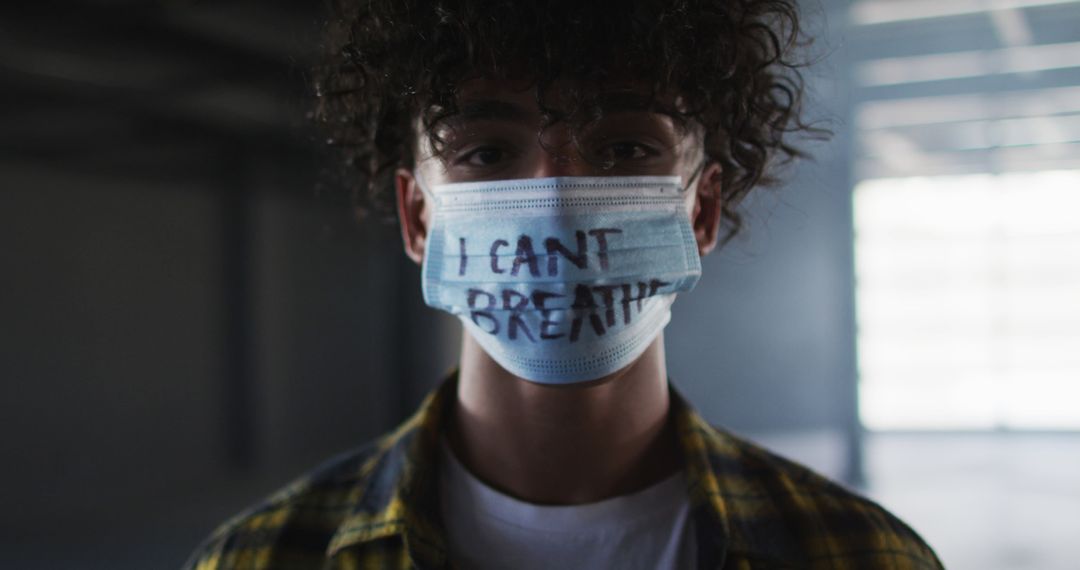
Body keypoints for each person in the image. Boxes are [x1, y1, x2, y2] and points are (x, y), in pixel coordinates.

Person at [185, 0, 943, 568]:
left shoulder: (864, 555)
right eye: (486, 152)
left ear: (701, 209)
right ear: (419, 218)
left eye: (622, 145)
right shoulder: (258, 558)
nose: (558, 200)